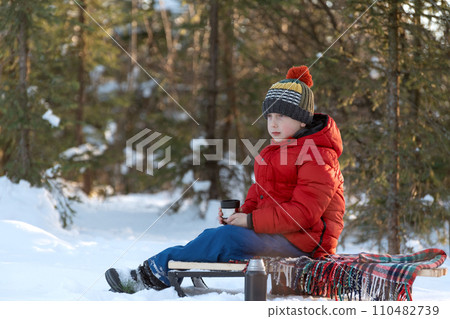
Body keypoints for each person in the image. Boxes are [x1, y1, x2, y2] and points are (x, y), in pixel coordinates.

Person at [105, 65, 345, 294]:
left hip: (306, 243)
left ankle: (149, 275)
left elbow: (303, 214)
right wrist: (239, 216)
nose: (272, 123)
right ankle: (158, 269)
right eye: (269, 115)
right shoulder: (276, 151)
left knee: (223, 239)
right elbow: (261, 196)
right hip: (282, 235)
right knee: (217, 235)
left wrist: (250, 221)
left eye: (281, 115)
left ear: (302, 119)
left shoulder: (318, 156)